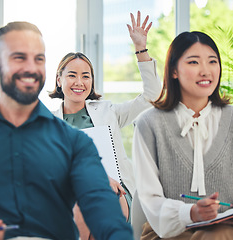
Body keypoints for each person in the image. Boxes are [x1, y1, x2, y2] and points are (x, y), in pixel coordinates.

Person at [0, 21, 133, 240]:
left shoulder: (74, 142)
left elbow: (105, 211)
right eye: (19, 57)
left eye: (39, 59)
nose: (30, 68)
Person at [132, 31, 233, 239]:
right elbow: (150, 199)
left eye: (212, 61)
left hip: (227, 231)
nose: (205, 71)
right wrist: (190, 213)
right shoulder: (148, 123)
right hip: (167, 232)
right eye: (194, 62)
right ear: (174, 70)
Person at [49, 11, 161, 240]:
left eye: (86, 76)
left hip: (116, 194)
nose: (79, 82)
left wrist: (141, 48)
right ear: (59, 80)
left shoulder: (108, 112)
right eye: (72, 75)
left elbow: (152, 95)